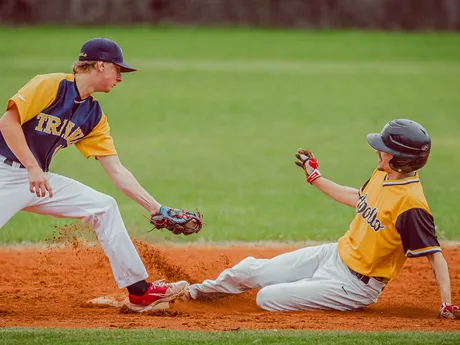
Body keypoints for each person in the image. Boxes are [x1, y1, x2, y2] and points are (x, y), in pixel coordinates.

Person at [179, 119, 459, 319]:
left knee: (267, 297)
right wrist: (315, 178)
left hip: (354, 287)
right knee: (251, 269)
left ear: (401, 159)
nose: (377, 150)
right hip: (333, 255)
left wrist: (446, 304)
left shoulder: (411, 204)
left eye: (384, 148)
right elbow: (356, 197)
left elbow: (435, 256)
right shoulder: (384, 175)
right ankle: (191, 294)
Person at [0, 37, 188, 313]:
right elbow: (8, 121)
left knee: (104, 207)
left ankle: (140, 292)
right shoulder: (51, 84)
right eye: (118, 70)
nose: (120, 78)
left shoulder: (93, 114)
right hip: (5, 173)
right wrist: (31, 166)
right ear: (100, 65)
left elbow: (117, 170)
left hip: (36, 180)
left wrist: (155, 207)